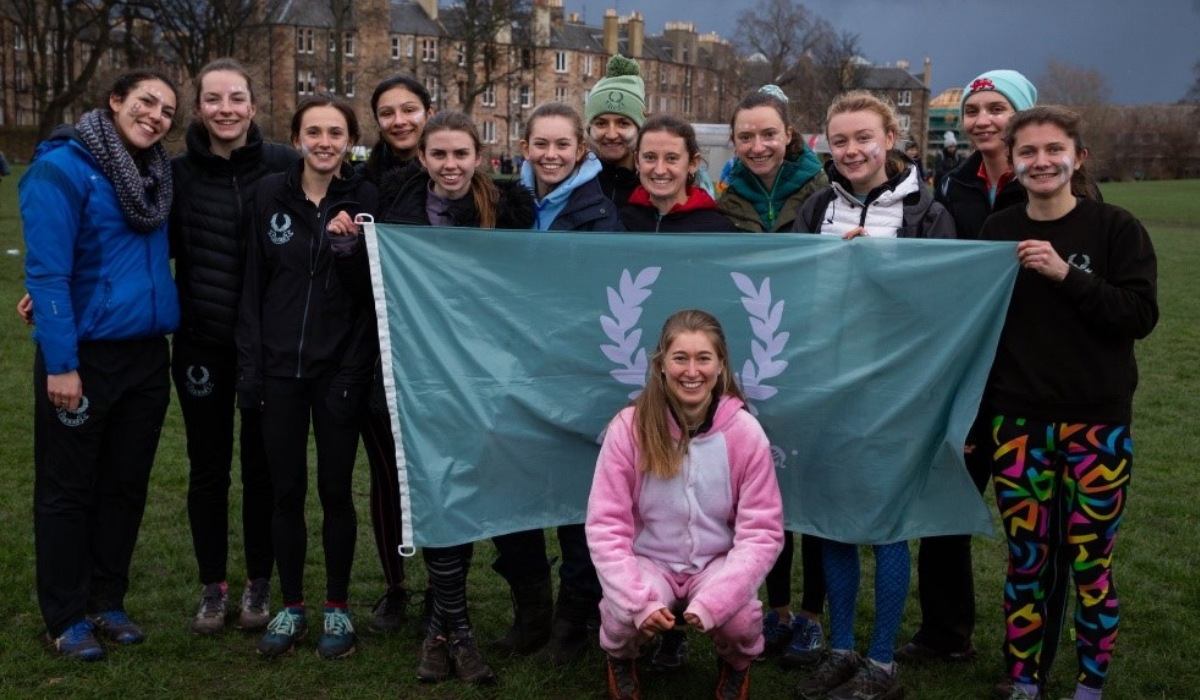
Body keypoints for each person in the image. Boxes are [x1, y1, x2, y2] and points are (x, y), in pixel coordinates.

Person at [980, 106, 1157, 700]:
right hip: (1019, 424)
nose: (1041, 161)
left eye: (1054, 149)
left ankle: (1090, 681)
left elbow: (1139, 315)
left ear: (1077, 157)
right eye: (1027, 152)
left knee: (1089, 563)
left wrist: (1066, 274)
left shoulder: (1116, 228)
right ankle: (1024, 677)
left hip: (1097, 426)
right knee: (1027, 560)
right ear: (1013, 162)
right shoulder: (996, 232)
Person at [792, 90, 953, 700]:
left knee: (886, 526)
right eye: (840, 140)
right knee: (831, 521)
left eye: (864, 137)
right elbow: (795, 293)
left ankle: (882, 663)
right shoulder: (816, 208)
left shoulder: (928, 213)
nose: (852, 150)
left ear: (889, 138)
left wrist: (879, 269)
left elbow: (943, 304)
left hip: (895, 392)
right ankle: (839, 649)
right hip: (827, 388)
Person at [20, 69, 180, 661]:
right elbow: (48, 272)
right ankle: (65, 616)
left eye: (166, 110)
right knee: (68, 489)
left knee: (124, 486)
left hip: (144, 355)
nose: (155, 115)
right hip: (82, 359)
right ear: (115, 102)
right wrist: (61, 362)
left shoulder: (155, 175)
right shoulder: (60, 168)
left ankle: (106, 601)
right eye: (145, 102)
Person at [371, 110, 535, 685]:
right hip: (421, 373)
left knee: (468, 488)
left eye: (460, 154)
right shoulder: (395, 210)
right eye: (438, 155)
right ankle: (454, 628)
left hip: (488, 375)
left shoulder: (511, 213)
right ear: (422, 158)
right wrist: (350, 243)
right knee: (438, 489)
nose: (449, 165)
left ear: (479, 157)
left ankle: (449, 629)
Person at [899, 69, 1046, 672]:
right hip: (958, 372)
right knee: (941, 509)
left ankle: (1028, 650)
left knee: (1029, 523)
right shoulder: (951, 186)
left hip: (1026, 376)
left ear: (1024, 114)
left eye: (997, 107)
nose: (983, 119)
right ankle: (944, 633)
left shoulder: (1047, 181)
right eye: (974, 109)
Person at [235, 94, 377, 660]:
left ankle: (337, 609)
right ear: (296, 138)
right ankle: (292, 606)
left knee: (336, 492)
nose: (324, 141)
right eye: (313, 131)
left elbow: (373, 298)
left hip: (337, 373)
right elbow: (251, 287)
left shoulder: (364, 199)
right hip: (277, 374)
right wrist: (252, 366)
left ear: (350, 141)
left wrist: (351, 249)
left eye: (335, 132)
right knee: (285, 491)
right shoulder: (270, 193)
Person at [587, 309, 784, 700]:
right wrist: (637, 600)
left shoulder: (746, 433)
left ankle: (735, 665)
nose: (691, 371)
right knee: (622, 613)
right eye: (680, 358)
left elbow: (762, 531)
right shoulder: (629, 428)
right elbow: (606, 526)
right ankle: (621, 658)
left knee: (741, 618)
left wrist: (719, 598)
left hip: (715, 563)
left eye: (703, 358)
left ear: (721, 365)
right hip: (650, 560)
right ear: (661, 365)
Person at [171, 57, 296, 637]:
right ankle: (212, 586)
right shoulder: (175, 173)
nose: (226, 109)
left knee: (263, 469)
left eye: (237, 98)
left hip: (267, 350)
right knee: (208, 468)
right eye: (214, 99)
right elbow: (124, 241)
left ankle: (259, 582)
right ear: (199, 108)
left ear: (253, 105)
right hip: (203, 343)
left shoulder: (283, 166)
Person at [356, 73, 435, 635]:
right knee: (385, 473)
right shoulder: (361, 184)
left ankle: (442, 586)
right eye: (388, 112)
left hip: (437, 350)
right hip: (374, 347)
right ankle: (395, 585)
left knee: (438, 472)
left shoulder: (453, 177)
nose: (400, 120)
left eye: (410, 109)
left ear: (428, 113)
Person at [718, 85, 827, 233]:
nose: (757, 148)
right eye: (745, 137)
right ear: (734, 142)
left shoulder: (825, 194)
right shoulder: (725, 206)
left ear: (788, 135)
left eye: (769, 134)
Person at [618, 115, 733, 233]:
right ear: (637, 161)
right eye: (650, 157)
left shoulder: (716, 229)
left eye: (672, 158)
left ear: (692, 163)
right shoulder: (622, 222)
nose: (660, 170)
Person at [520, 101, 622, 231]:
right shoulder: (503, 205)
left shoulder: (602, 214)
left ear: (579, 150)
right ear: (526, 149)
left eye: (562, 145)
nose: (551, 155)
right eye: (541, 144)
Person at [586, 54, 647, 208]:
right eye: (601, 123)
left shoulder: (655, 185)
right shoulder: (574, 183)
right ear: (589, 128)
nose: (612, 134)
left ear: (639, 129)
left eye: (623, 123)